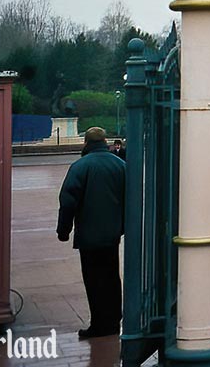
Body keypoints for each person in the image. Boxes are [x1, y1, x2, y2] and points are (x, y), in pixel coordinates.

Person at [57, 126, 126, 339]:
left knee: (94, 280)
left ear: (86, 143)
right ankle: (114, 321)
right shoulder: (121, 165)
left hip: (89, 235)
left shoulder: (80, 166)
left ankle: (99, 324)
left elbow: (68, 201)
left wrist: (64, 230)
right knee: (112, 277)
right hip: (113, 233)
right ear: (105, 142)